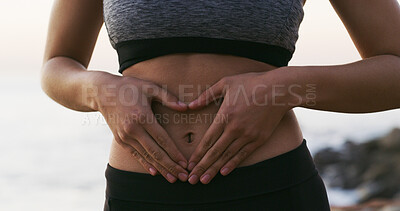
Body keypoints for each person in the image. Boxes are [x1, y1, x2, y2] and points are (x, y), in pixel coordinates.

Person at [41, 0, 400, 210]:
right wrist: (100, 90)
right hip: (139, 195)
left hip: (273, 190)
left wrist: (282, 88)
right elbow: (57, 64)